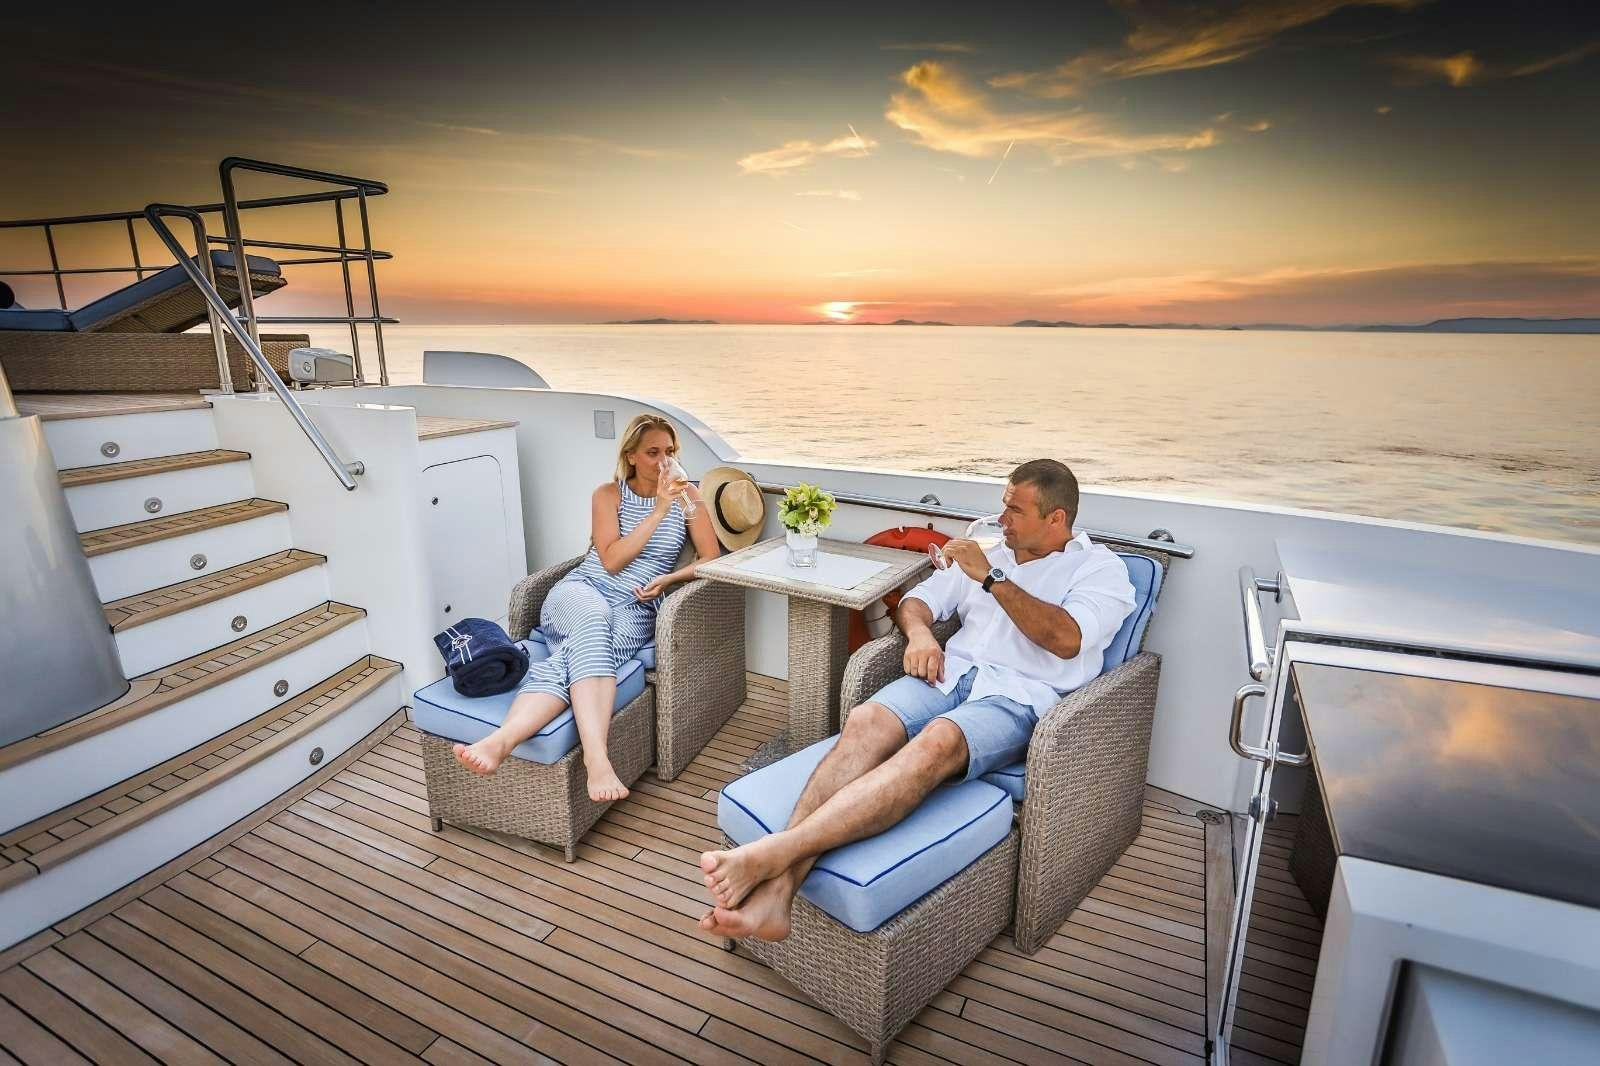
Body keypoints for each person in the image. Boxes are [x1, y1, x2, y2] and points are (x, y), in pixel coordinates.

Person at [698, 459, 1136, 940]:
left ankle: (774, 852)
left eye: (1015, 511)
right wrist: (921, 636)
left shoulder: (1101, 571)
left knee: (936, 743)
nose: (1002, 519)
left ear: (1056, 519)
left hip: (1018, 696)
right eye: (1003, 506)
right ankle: (777, 897)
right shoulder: (991, 550)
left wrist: (991, 578)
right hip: (952, 674)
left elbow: (1066, 638)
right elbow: (916, 601)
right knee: (866, 720)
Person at [452, 414, 723, 801]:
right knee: (593, 620)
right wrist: (660, 510)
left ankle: (500, 741)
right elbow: (611, 561)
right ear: (630, 456)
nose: (664, 462)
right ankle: (598, 760)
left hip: (634, 607)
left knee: (572, 658)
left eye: (670, 451)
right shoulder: (607, 495)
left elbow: (710, 558)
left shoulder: (689, 496)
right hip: (582, 591)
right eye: (652, 452)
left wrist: (668, 579)